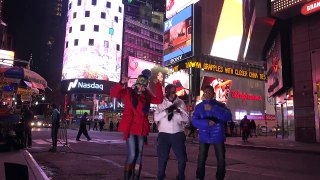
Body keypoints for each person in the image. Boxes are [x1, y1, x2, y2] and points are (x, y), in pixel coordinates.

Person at [110, 69, 163, 180]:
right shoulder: (128, 92)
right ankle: (127, 177)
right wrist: (121, 83)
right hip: (130, 127)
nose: (140, 88)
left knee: (139, 155)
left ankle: (136, 177)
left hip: (141, 128)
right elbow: (114, 93)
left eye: (143, 86)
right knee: (133, 154)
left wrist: (158, 85)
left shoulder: (147, 96)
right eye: (139, 85)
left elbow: (159, 100)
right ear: (135, 84)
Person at [192, 85, 232, 180]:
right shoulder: (199, 107)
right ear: (204, 94)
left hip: (218, 136)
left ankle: (220, 177)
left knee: (221, 159)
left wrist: (213, 108)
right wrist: (207, 123)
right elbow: (194, 121)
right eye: (206, 92)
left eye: (210, 92)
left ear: (213, 94)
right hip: (204, 136)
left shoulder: (220, 105)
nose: (207, 94)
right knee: (201, 158)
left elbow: (228, 116)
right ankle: (199, 177)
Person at [154, 84, 189, 180]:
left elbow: (186, 118)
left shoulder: (180, 102)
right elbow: (156, 117)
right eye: (168, 92)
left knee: (182, 159)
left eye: (173, 92)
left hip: (177, 134)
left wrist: (177, 113)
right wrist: (167, 111)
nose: (171, 94)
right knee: (162, 158)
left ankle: (181, 176)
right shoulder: (161, 103)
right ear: (165, 92)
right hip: (163, 134)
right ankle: (160, 177)